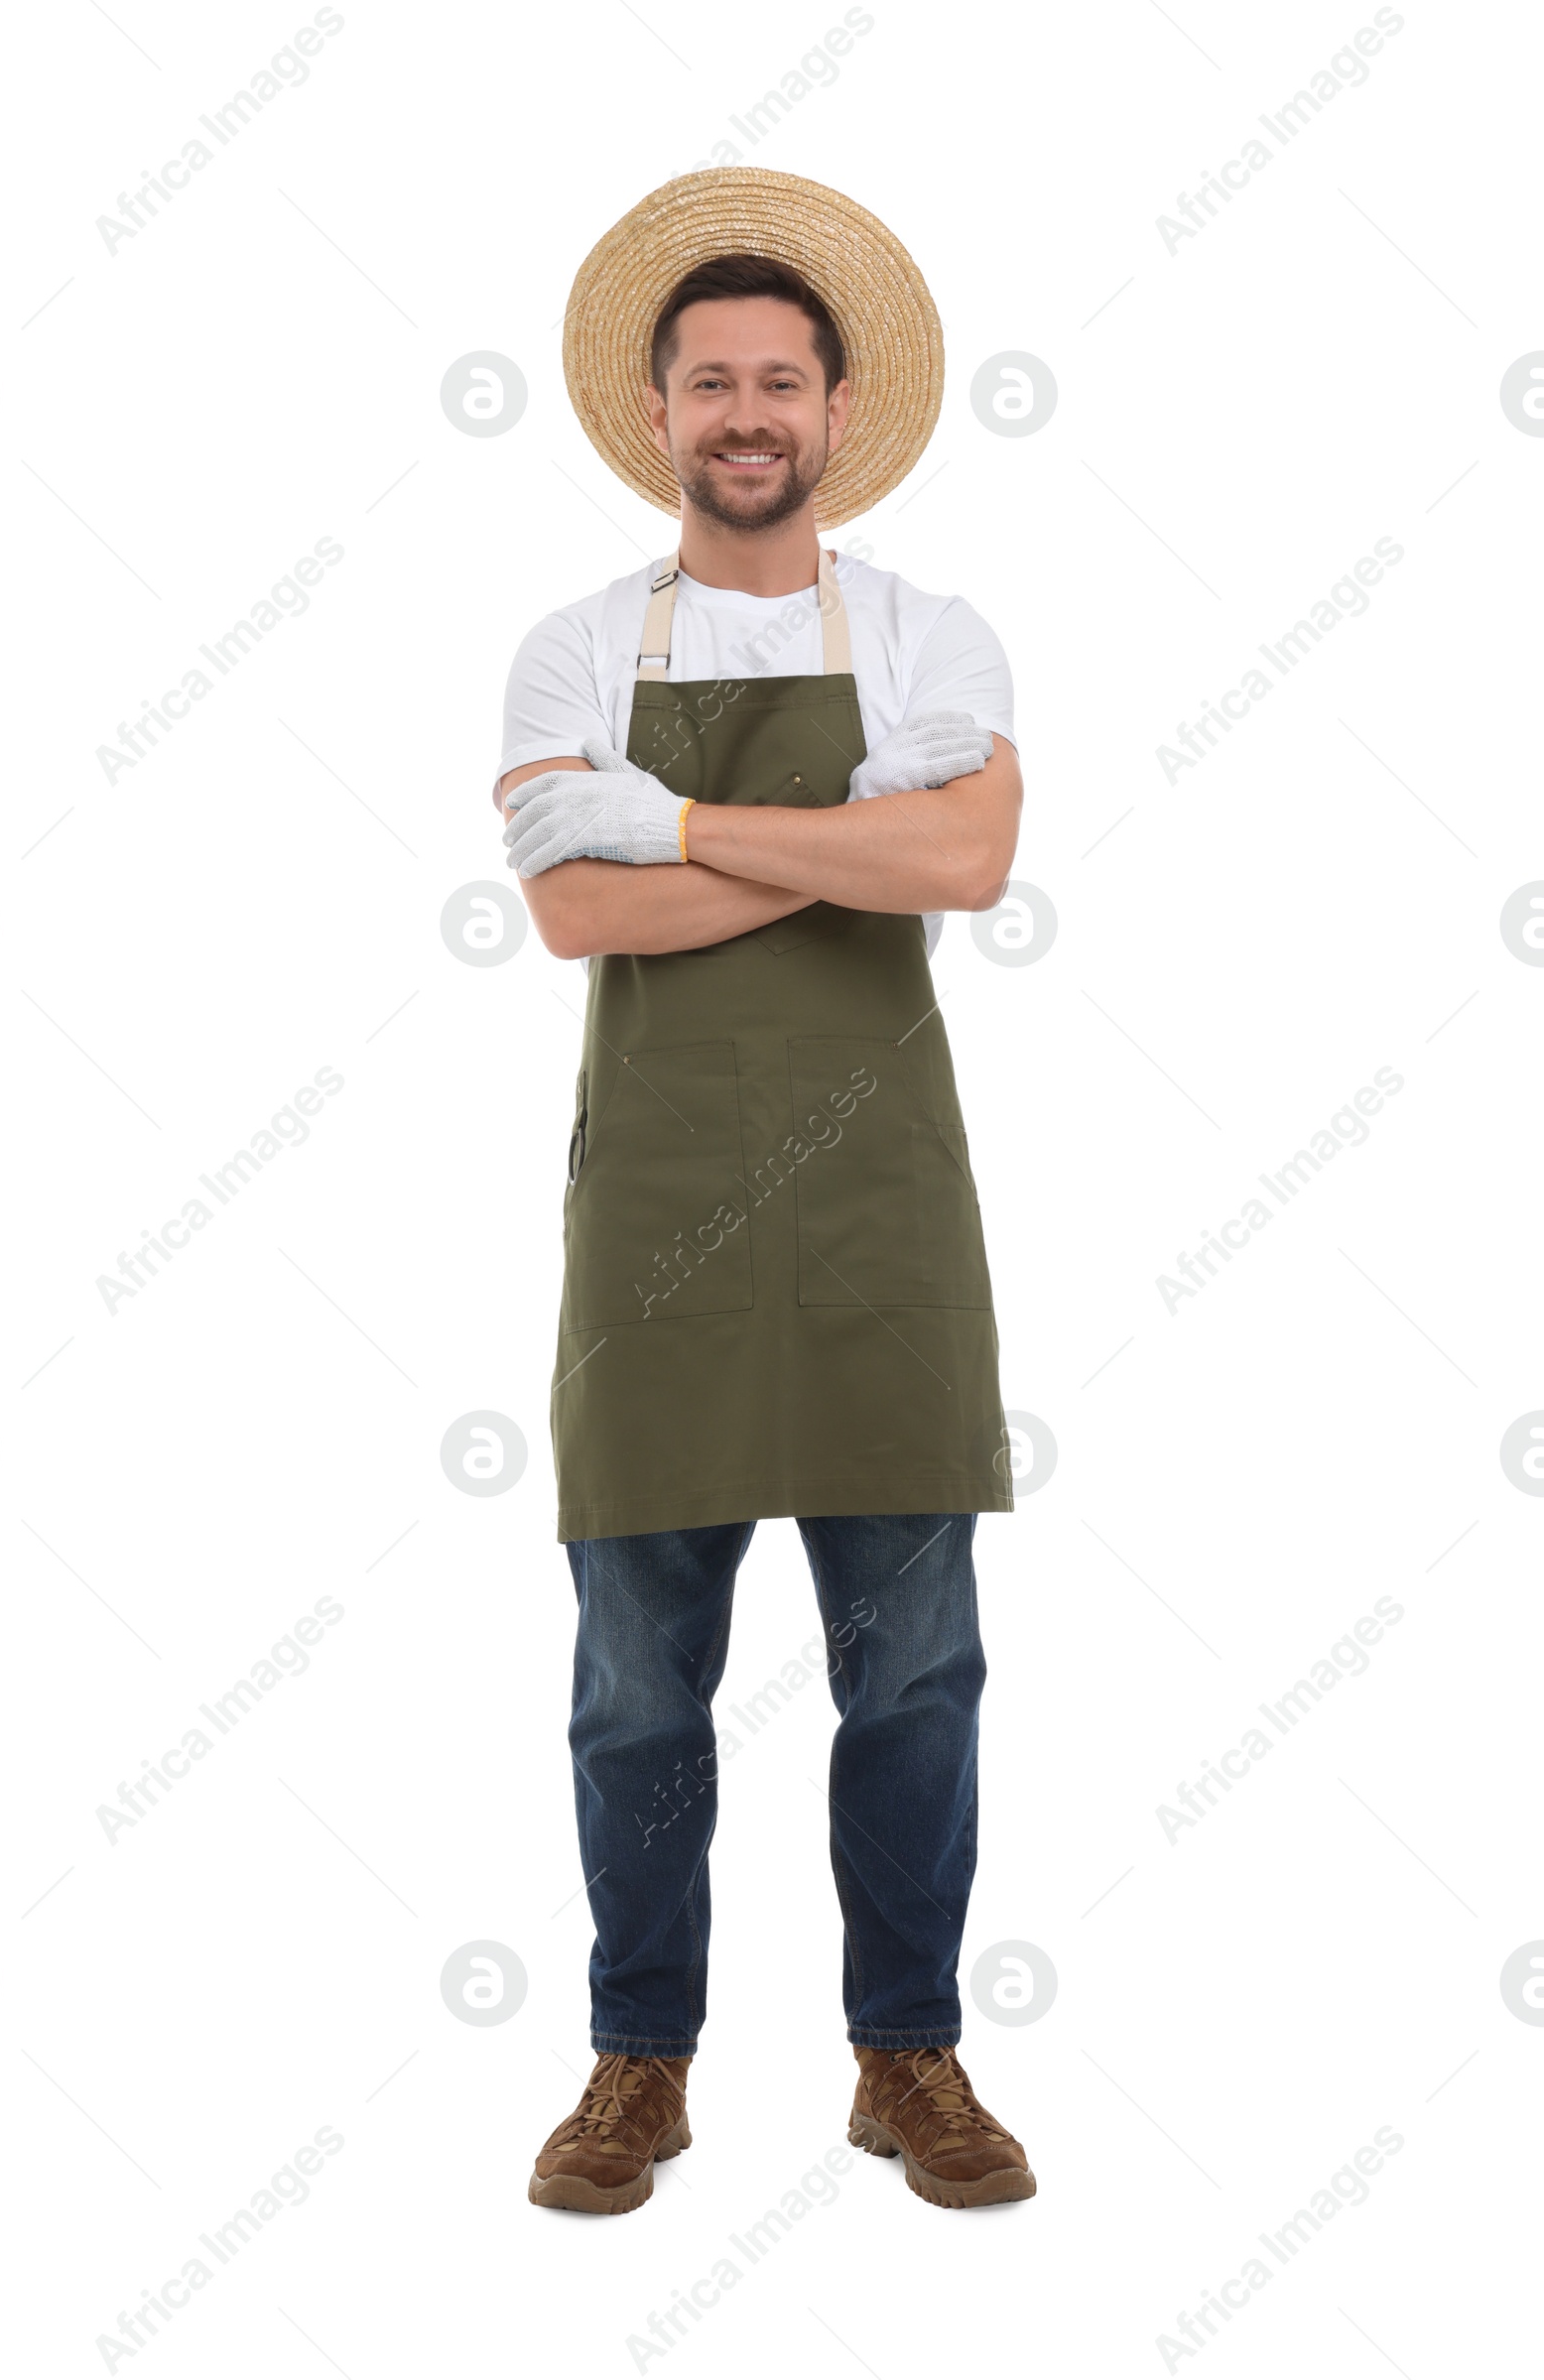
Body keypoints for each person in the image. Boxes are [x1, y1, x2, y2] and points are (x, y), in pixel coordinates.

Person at [494, 169, 1035, 2215]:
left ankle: (908, 2057)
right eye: (707, 378)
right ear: (655, 414)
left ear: (832, 412)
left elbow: (964, 869)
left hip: (890, 1224)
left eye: (778, 381)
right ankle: (639, 2061)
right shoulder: (567, 650)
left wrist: (681, 822)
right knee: (637, 1684)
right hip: (657, 1226)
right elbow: (568, 913)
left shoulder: (925, 628)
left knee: (916, 1671)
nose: (744, 410)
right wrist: (831, 828)